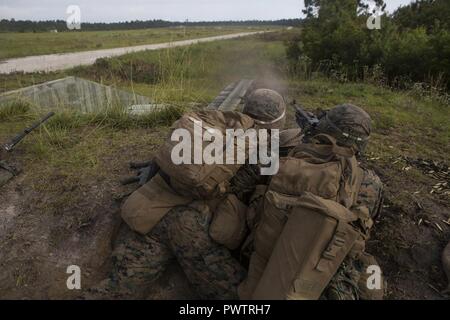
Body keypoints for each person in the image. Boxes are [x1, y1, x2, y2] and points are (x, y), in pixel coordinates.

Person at [162, 104, 384, 300]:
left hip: (262, 282)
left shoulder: (283, 158)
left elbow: (238, 188)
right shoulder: (371, 183)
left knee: (186, 220)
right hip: (318, 281)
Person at [84, 88, 289, 300]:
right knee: (239, 298)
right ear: (276, 122)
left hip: (149, 214)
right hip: (194, 228)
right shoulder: (265, 145)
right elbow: (257, 200)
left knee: (117, 288)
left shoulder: (215, 123)